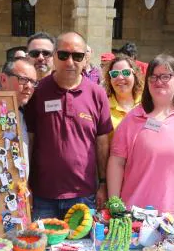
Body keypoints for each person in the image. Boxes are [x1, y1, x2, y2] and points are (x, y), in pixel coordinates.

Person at [108, 54, 174, 214]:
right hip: (138, 216)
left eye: (166, 76)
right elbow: (117, 162)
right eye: (153, 77)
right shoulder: (132, 119)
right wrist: (114, 203)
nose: (159, 82)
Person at [25, 31, 113, 218]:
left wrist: (103, 184)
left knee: (83, 248)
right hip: (43, 196)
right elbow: (30, 140)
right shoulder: (38, 92)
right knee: (42, 247)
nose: (70, 62)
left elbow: (102, 143)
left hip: (83, 195)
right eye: (64, 55)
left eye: (77, 56)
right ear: (55, 56)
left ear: (85, 58)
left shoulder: (97, 94)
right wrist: (26, 183)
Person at [0, 58, 38, 168]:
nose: (29, 86)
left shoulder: (27, 115)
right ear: (3, 80)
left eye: (33, 82)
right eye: (23, 79)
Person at [101, 54, 143, 131]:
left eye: (126, 72)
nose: (120, 77)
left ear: (135, 75)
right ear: (109, 79)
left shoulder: (147, 103)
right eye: (115, 74)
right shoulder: (103, 107)